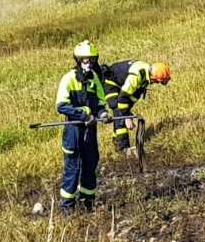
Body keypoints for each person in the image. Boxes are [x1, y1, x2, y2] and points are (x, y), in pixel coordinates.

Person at [53, 43, 173, 211]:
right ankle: (67, 209)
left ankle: (88, 204)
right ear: (78, 60)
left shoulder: (94, 79)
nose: (89, 62)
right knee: (73, 167)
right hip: (73, 128)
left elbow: (100, 103)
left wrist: (103, 114)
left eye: (92, 59)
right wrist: (83, 116)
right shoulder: (69, 79)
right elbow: (61, 106)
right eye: (85, 59)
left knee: (90, 164)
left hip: (90, 129)